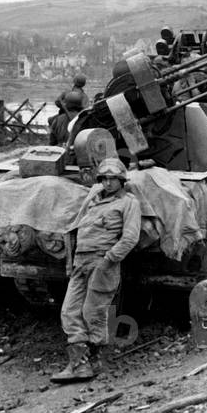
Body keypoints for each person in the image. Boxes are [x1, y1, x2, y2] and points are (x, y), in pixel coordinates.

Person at [52, 158, 141, 383]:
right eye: (105, 179)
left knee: (94, 313)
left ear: (122, 180)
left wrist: (109, 260)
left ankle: (95, 362)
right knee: (69, 311)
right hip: (81, 263)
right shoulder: (93, 200)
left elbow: (130, 237)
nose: (108, 183)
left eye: (113, 179)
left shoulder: (128, 203)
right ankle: (78, 365)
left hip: (103, 264)